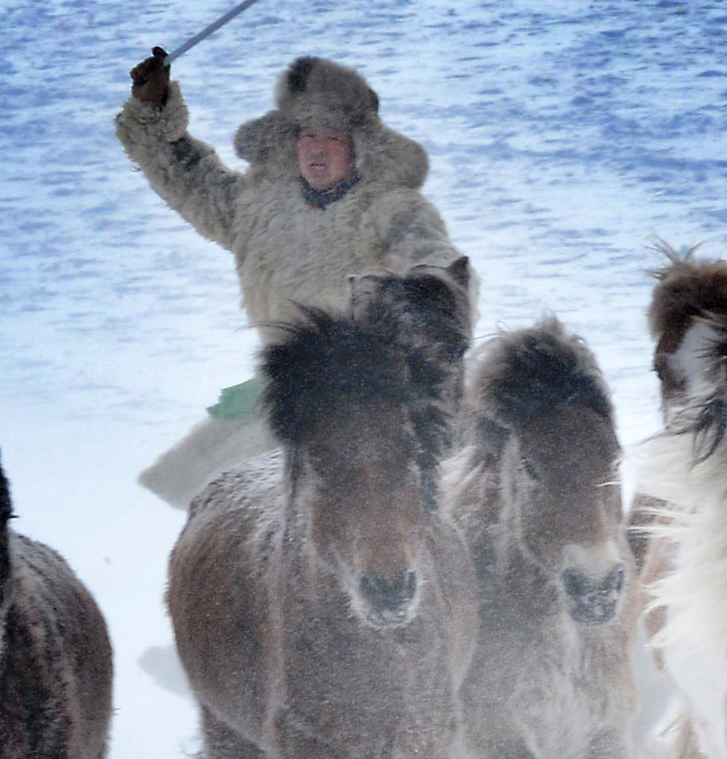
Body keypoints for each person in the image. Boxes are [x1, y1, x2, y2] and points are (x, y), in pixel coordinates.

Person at [116, 47, 466, 505]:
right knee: (202, 493)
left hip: (380, 396)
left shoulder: (394, 210)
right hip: (285, 391)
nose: (317, 148)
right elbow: (189, 177)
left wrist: (424, 305)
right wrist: (152, 110)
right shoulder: (260, 209)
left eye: (333, 136)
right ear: (290, 142)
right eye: (307, 134)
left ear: (359, 147)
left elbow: (436, 269)